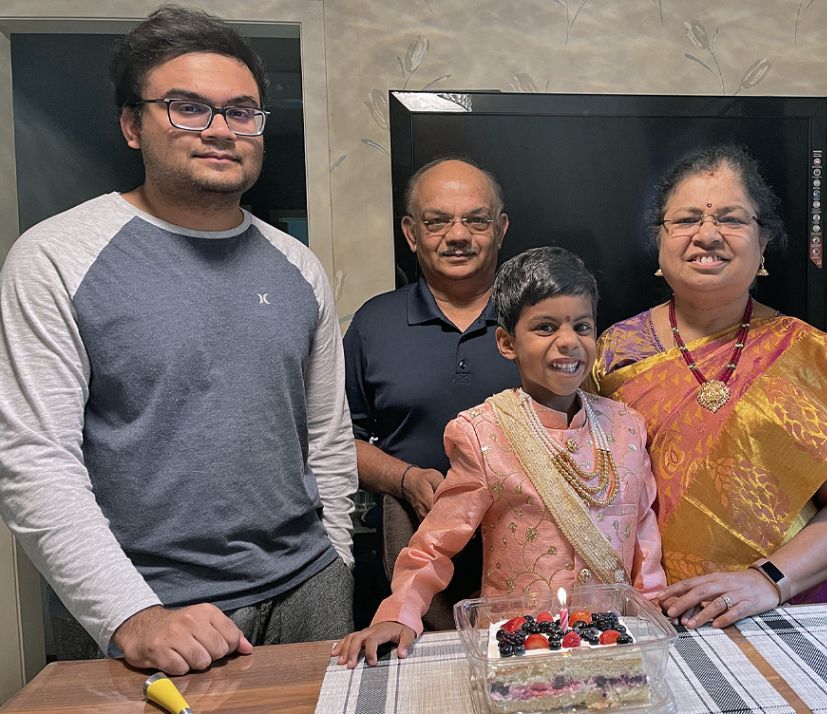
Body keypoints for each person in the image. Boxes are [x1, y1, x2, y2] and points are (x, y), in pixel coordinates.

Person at [0, 6, 356, 674]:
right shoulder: (55, 257)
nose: (220, 131)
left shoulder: (298, 266)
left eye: (241, 111)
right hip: (148, 611)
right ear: (132, 124)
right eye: (187, 107)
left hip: (309, 593)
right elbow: (34, 459)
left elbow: (327, 433)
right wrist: (130, 617)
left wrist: (335, 556)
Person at [592, 144, 827, 629]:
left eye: (731, 219)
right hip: (643, 615)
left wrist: (767, 580)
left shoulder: (810, 360)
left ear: (764, 243)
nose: (707, 235)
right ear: (659, 242)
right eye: (684, 221)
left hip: (777, 615)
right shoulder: (613, 351)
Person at [333, 246, 667, 665]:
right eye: (545, 327)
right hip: (518, 648)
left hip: (612, 641)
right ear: (507, 343)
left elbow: (643, 532)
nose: (569, 342)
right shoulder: (484, 433)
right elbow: (434, 545)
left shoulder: (626, 426)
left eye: (582, 326)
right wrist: (399, 613)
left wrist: (652, 609)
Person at [343, 157, 519, 630]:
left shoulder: (540, 322)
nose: (457, 235)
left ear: (500, 229)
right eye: (437, 221)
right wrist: (404, 478)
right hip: (410, 557)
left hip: (529, 555)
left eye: (476, 220)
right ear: (411, 232)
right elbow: (336, 444)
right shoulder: (373, 324)